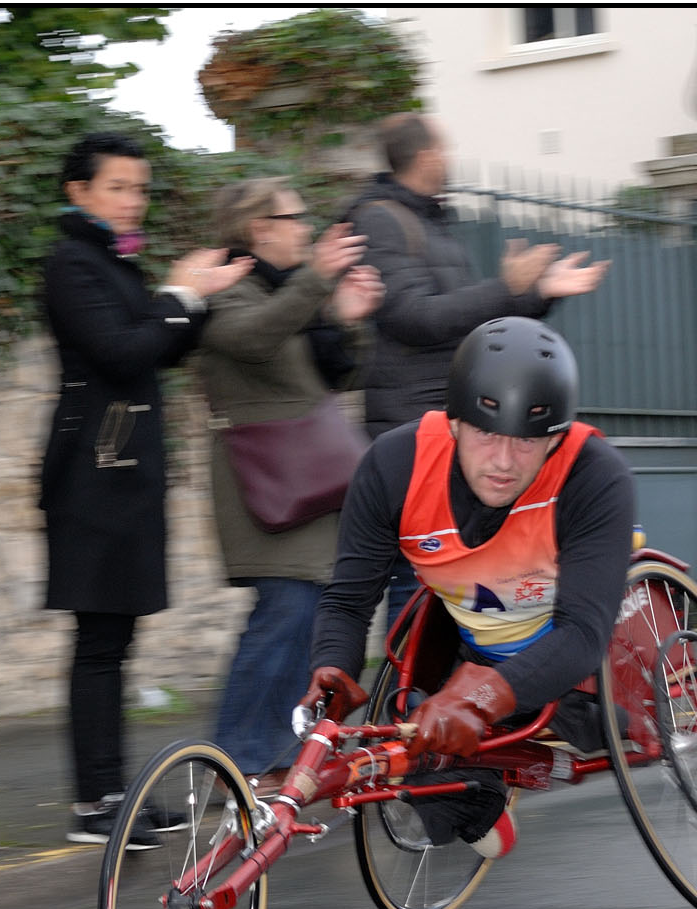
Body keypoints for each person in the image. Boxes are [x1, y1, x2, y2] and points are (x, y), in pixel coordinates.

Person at [300, 317, 636, 858]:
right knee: (410, 740)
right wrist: (332, 664)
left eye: (527, 441)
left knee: (605, 724)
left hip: (574, 670)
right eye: (485, 433)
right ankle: (479, 799)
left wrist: (480, 700)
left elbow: (582, 634)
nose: (503, 461)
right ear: (453, 422)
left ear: (556, 438)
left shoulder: (594, 476)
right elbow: (348, 597)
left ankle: (495, 769)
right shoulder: (392, 465)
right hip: (470, 648)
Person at [39, 131, 253, 848]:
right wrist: (178, 296)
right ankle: (93, 803)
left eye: (140, 189)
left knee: (116, 639)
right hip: (92, 477)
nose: (133, 201)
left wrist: (195, 300)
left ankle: (110, 791)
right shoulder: (72, 264)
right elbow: (121, 351)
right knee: (99, 642)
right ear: (80, 192)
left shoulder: (109, 262)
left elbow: (158, 348)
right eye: (118, 188)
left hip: (120, 475)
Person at [343, 113, 608, 626]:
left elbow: (471, 327)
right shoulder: (381, 221)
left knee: (458, 592)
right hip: (415, 429)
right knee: (417, 592)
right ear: (427, 157)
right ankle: (413, 702)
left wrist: (536, 293)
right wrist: (506, 288)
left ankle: (459, 698)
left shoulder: (430, 222)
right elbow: (415, 318)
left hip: (456, 427)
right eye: (446, 148)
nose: (451, 157)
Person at [196, 177, 383, 787]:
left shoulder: (288, 294)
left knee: (303, 613)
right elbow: (252, 339)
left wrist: (346, 320)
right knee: (283, 610)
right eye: (294, 216)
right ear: (259, 229)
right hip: (264, 485)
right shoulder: (228, 293)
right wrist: (318, 282)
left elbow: (327, 377)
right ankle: (234, 756)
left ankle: (271, 751)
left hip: (306, 479)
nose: (306, 226)